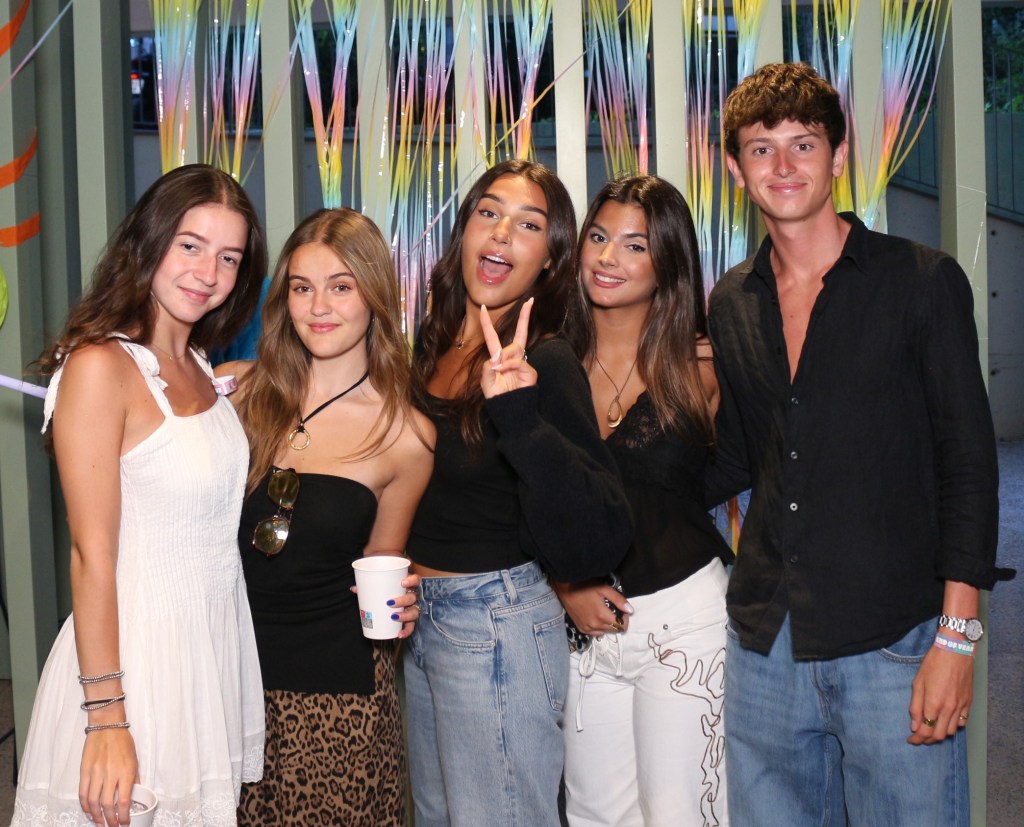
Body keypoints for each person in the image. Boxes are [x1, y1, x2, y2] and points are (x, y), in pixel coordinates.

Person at [707, 62, 1013, 826]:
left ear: (838, 156)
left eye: (803, 144)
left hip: (896, 641)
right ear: (736, 168)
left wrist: (957, 637)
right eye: (761, 148)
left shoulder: (922, 282)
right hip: (767, 643)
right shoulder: (731, 301)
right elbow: (741, 459)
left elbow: (969, 470)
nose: (783, 166)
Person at [13, 163, 268, 826]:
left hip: (204, 657)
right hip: (132, 666)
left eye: (229, 257)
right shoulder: (102, 367)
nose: (207, 271)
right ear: (148, 242)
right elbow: (91, 554)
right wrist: (105, 721)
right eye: (190, 245)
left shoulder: (202, 368)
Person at [403, 158, 633, 826]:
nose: (502, 233)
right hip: (427, 621)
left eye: (529, 224)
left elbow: (602, 527)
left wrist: (520, 411)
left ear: (551, 259)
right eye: (488, 212)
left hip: (496, 620)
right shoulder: (437, 339)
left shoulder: (545, 360)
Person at [216, 208, 433, 827]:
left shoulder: (406, 435)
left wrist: (401, 608)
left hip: (336, 699)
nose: (319, 306)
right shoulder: (237, 396)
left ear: (375, 295)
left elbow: (384, 569)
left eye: (341, 286)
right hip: (226, 676)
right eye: (302, 287)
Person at [558, 174, 733, 827]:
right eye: (599, 237)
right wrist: (561, 584)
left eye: (635, 245)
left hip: (684, 624)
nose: (608, 258)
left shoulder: (703, 366)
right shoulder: (550, 364)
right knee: (594, 815)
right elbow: (524, 498)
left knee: (682, 814)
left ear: (668, 260)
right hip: (586, 632)